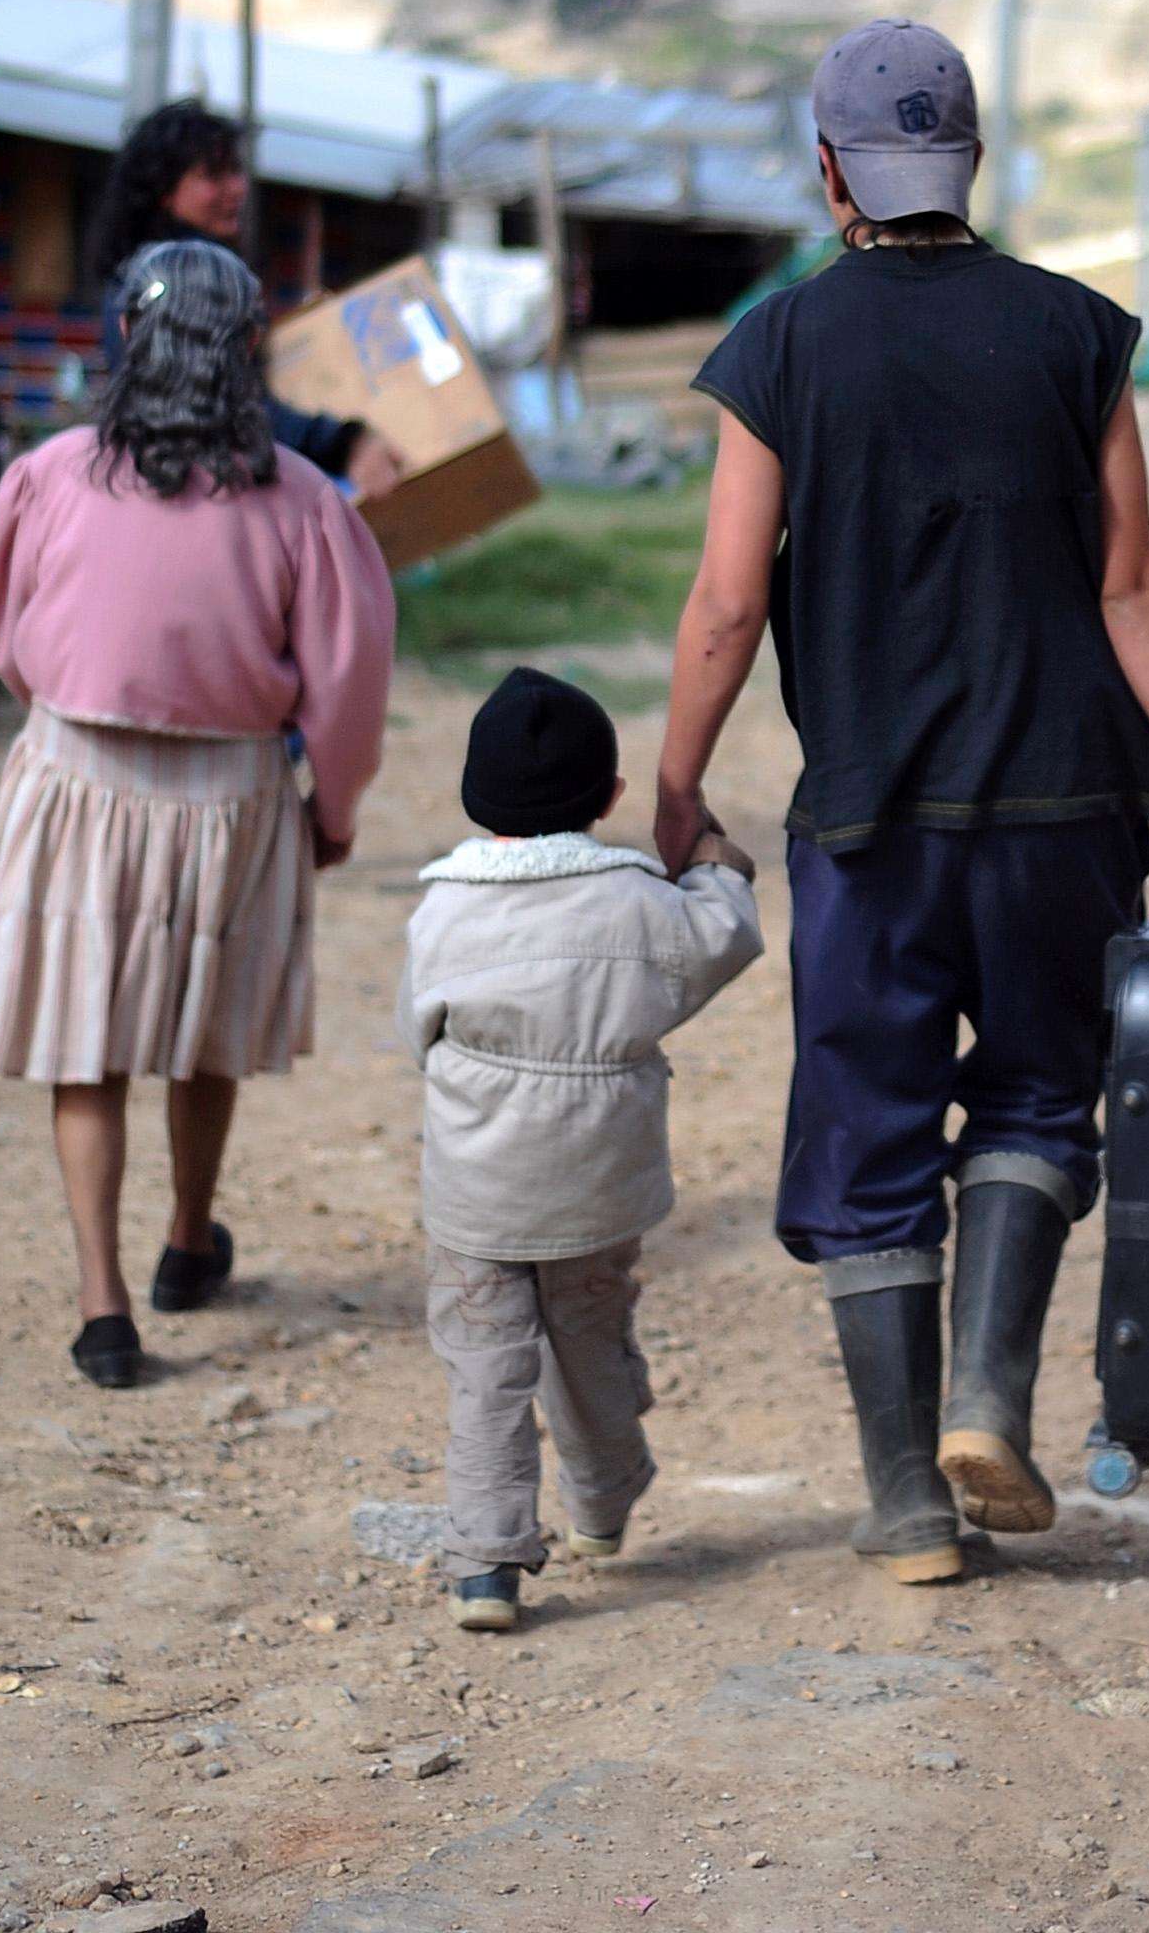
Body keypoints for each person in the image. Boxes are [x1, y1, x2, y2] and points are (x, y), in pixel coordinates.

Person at [656, 17, 1149, 1586]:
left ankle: (907, 1503)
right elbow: (1133, 582)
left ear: (829, 171)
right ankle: (989, 1399)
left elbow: (728, 605)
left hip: (872, 825)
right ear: (973, 162)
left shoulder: (780, 349)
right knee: (1037, 1098)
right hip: (1068, 809)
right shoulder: (1078, 335)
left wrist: (674, 783)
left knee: (869, 1131)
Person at [0, 239, 397, 1388]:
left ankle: (103, 1304)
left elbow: (3, 623)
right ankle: (190, 1238)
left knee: (83, 1046)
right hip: (230, 796)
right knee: (205, 1021)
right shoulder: (301, 501)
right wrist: (330, 808)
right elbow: (346, 676)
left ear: (123, 341)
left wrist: (71, 713)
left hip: (75, 780)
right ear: (247, 357)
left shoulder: (48, 474)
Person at [399, 667, 764, 1633]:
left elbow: (416, 1030)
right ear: (608, 798)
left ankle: (484, 1564)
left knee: (487, 1366)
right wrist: (721, 865)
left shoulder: (444, 909)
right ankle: (603, 1505)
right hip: (599, 1185)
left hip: (477, 1190)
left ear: (476, 802)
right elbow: (722, 941)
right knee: (590, 1339)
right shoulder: (638, 903)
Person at [84, 98, 399, 492]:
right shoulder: (163, 288)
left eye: (237, 171)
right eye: (214, 176)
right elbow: (220, 405)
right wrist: (342, 442)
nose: (236, 189)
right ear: (162, 190)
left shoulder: (195, 273)